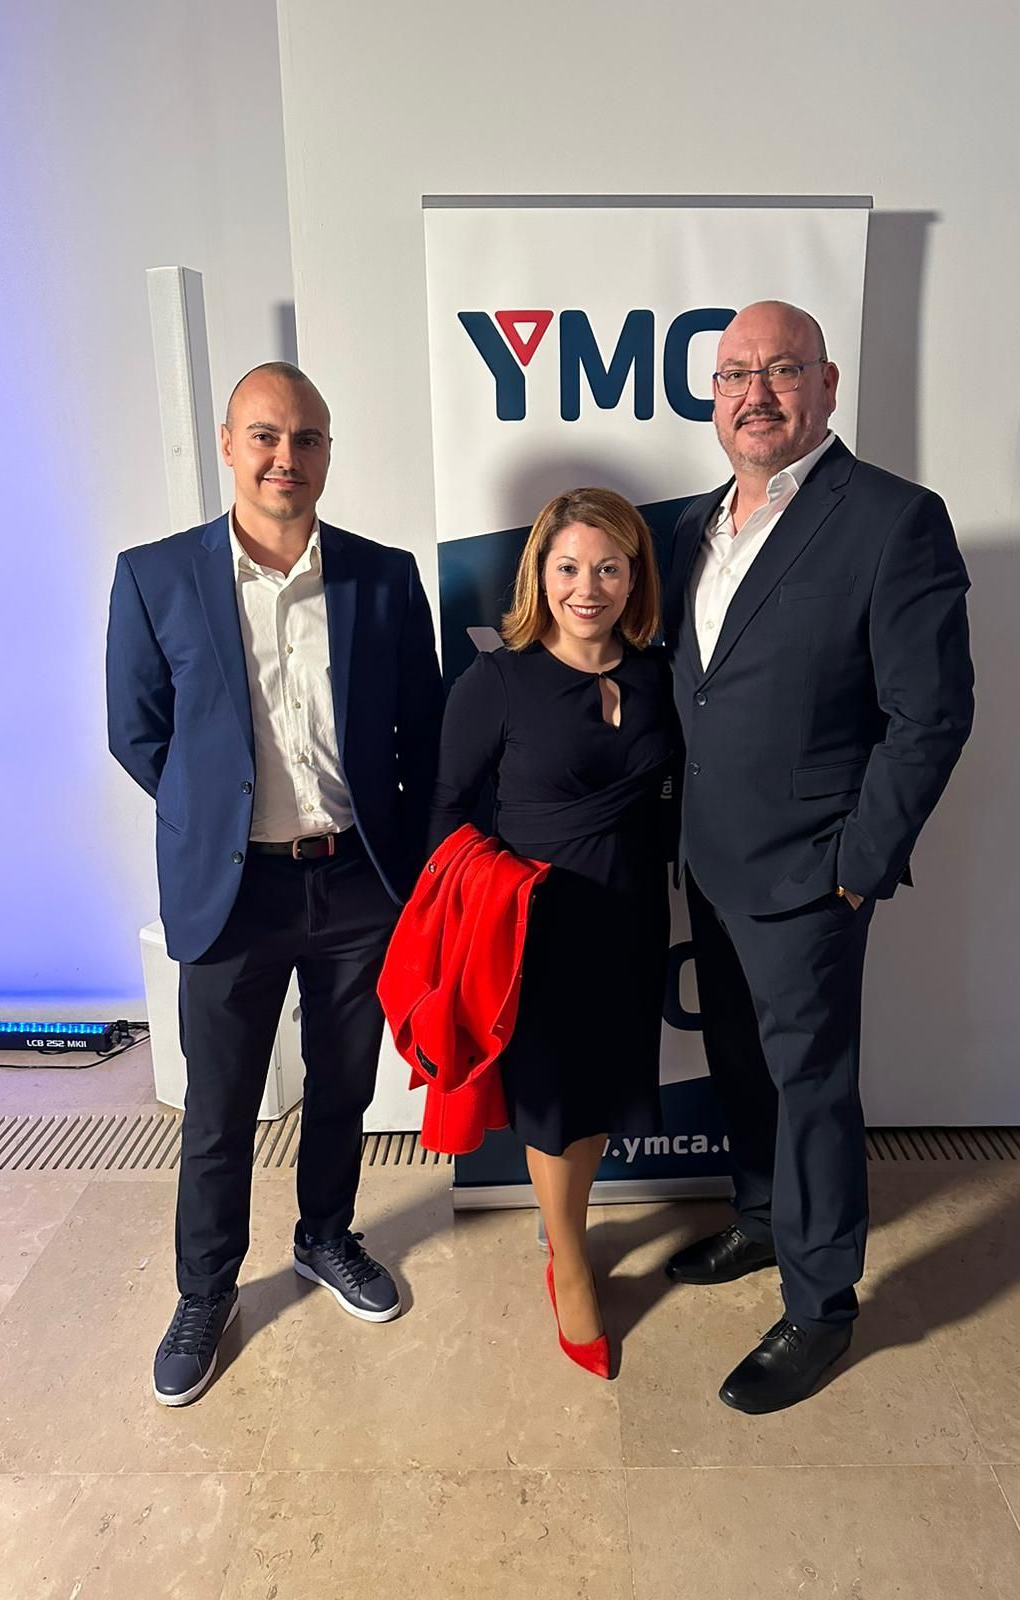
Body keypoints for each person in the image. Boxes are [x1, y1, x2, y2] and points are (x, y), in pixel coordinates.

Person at [106, 361, 442, 1405]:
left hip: (356, 882)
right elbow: (138, 733)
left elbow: (423, 730)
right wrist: (216, 819)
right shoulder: (156, 577)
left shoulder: (384, 577)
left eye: (306, 438)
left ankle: (325, 1235)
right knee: (219, 1107)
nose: (285, 457)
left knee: (345, 1084)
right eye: (264, 435)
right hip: (231, 890)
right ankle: (205, 1290)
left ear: (328, 452)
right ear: (227, 444)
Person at [663, 301, 974, 1413]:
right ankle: (760, 1218)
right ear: (713, 396)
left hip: (811, 873)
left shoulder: (893, 519)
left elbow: (930, 714)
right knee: (741, 1062)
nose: (757, 393)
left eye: (782, 371)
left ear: (827, 385)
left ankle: (821, 1304)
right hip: (710, 859)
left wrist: (859, 861)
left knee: (812, 1088)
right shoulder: (696, 525)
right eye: (735, 374)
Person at [429, 488, 677, 1378]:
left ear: (635, 578)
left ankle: (564, 1227)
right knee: (554, 1103)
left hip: (631, 922)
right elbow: (446, 813)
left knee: (599, 1093)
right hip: (535, 933)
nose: (587, 587)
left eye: (609, 568)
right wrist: (490, 897)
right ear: (540, 573)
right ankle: (569, 1260)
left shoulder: (658, 675)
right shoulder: (497, 682)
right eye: (568, 567)